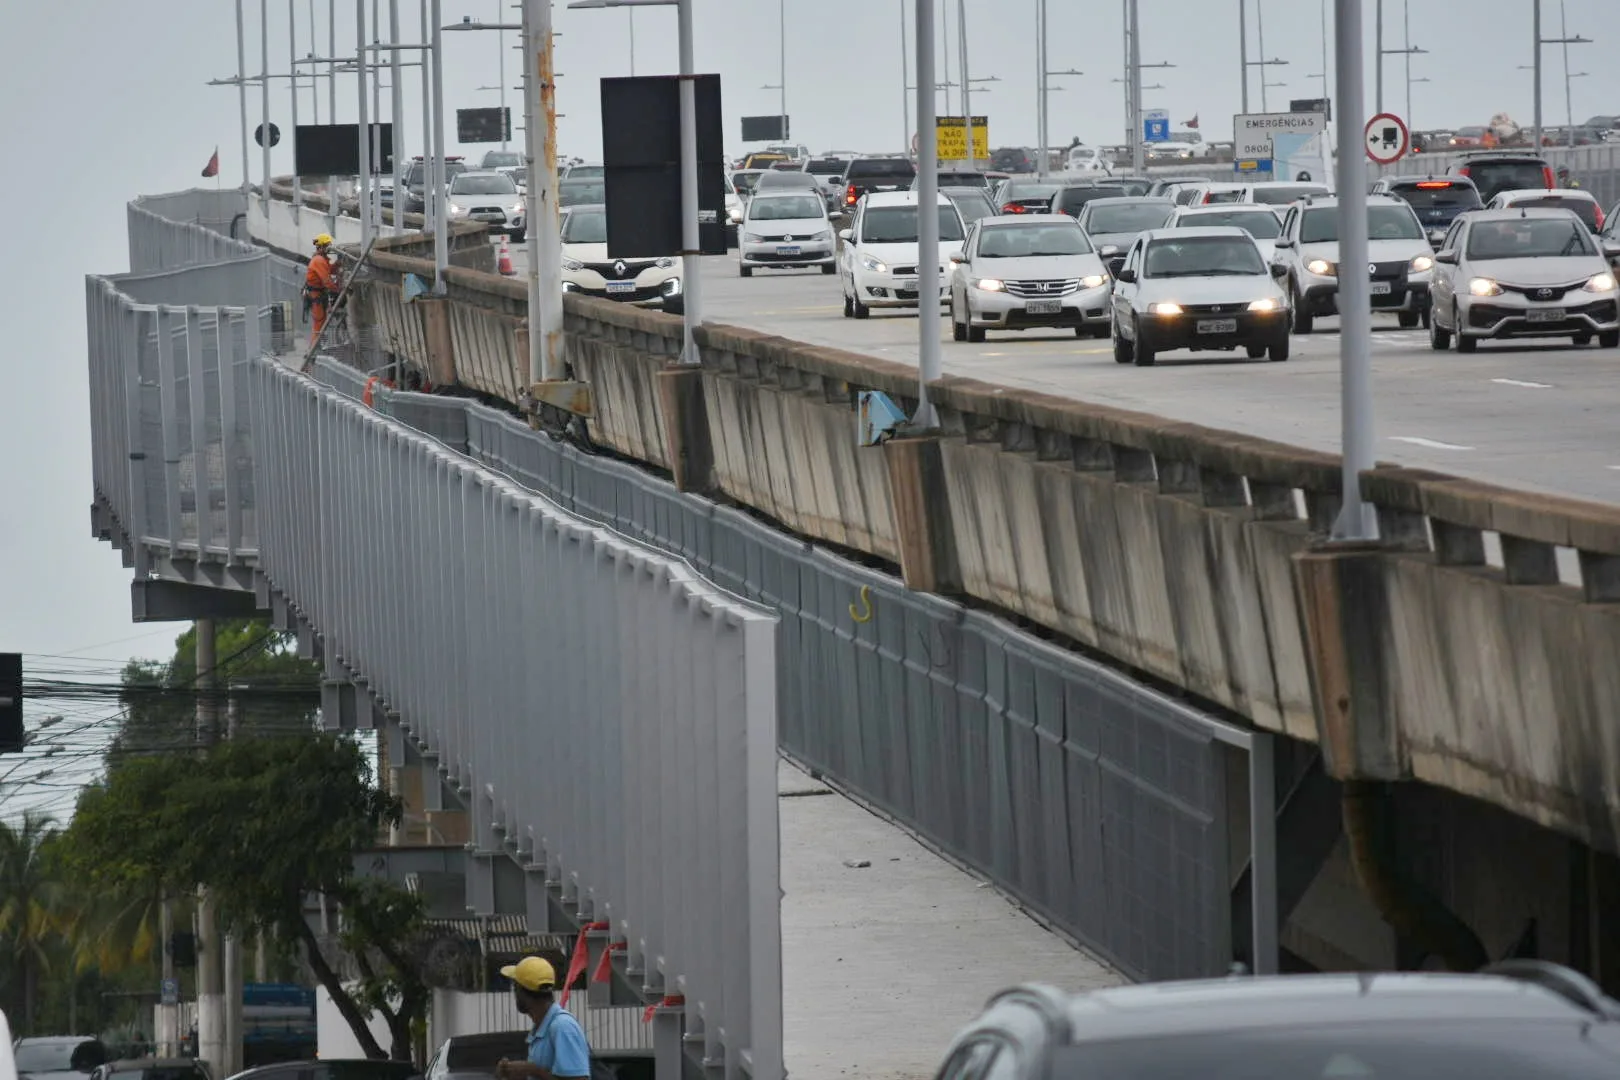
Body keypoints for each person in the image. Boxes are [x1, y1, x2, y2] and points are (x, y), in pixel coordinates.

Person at [494, 956, 590, 1080]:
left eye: (515, 989)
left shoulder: (562, 1026)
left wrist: (532, 1070)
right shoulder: (542, 1029)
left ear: (522, 993)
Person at [303, 233, 341, 346]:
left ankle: (316, 347)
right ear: (321, 246)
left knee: (321, 322)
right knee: (319, 323)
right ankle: (314, 350)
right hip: (316, 296)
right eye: (327, 246)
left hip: (318, 294)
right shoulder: (319, 260)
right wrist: (337, 290)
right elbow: (327, 281)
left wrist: (338, 264)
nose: (328, 249)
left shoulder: (321, 259)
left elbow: (329, 270)